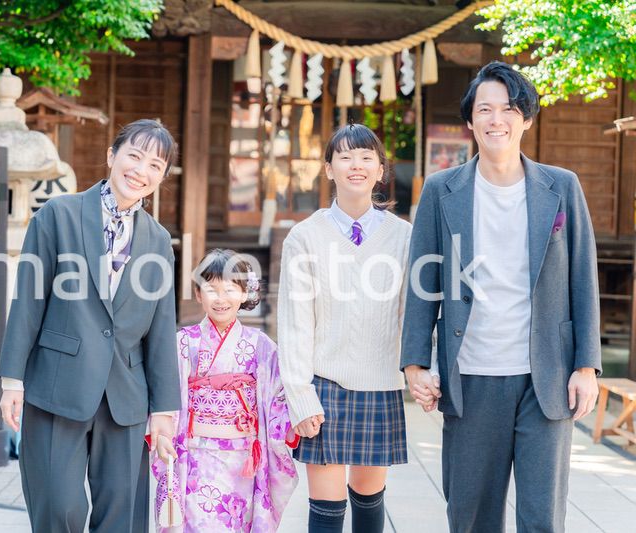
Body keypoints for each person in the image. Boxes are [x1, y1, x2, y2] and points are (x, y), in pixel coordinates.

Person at [401, 61, 601, 532]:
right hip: (471, 377)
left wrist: (586, 366)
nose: (497, 119)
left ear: (526, 118)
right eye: (485, 109)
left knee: (542, 518)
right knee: (470, 516)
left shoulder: (561, 186)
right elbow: (422, 282)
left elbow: (583, 278)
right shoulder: (441, 190)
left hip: (547, 377)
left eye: (509, 109)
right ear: (470, 121)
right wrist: (414, 363)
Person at [0, 119, 181, 533]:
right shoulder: (58, 216)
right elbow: (28, 301)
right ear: (112, 156)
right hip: (57, 387)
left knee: (121, 517)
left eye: (155, 165)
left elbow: (161, 329)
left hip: (126, 397)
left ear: (162, 176)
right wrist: (12, 381)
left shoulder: (158, 241)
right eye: (134, 156)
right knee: (58, 508)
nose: (141, 171)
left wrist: (164, 410)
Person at [278, 123, 411, 533]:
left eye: (367, 157)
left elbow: (414, 315)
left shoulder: (404, 237)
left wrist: (422, 372)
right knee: (326, 507)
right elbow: (295, 323)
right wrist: (299, 396)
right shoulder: (304, 237)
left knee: (369, 501)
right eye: (345, 156)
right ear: (328, 169)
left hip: (382, 383)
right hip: (324, 385)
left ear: (380, 170)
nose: (356, 165)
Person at [151, 249, 299, 532]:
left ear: (244, 293)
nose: (221, 298)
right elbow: (165, 390)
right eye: (212, 289)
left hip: (242, 459)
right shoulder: (183, 342)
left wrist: (296, 418)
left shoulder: (260, 345)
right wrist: (164, 433)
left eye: (230, 289)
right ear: (198, 294)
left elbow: (278, 396)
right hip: (194, 455)